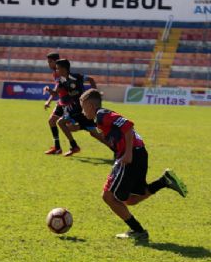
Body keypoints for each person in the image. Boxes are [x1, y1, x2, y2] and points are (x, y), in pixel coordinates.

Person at [80, 88, 188, 240]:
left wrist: (128, 153)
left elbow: (128, 126)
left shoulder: (102, 114)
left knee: (108, 196)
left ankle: (138, 231)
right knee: (130, 199)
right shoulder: (100, 121)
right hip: (138, 153)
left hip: (132, 155)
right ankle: (164, 181)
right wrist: (96, 135)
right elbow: (115, 141)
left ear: (90, 106)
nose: (83, 112)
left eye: (83, 108)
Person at [44, 58, 98, 156]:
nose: (49, 64)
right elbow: (57, 92)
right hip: (65, 104)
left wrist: (95, 93)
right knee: (57, 122)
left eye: (50, 62)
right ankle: (63, 147)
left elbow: (90, 79)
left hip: (73, 106)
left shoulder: (72, 76)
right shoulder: (59, 77)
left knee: (88, 130)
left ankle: (72, 144)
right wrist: (49, 92)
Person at [43, 52, 64, 154]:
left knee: (75, 126)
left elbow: (56, 91)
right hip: (62, 101)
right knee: (52, 121)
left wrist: (48, 91)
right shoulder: (56, 73)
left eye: (50, 62)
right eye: (48, 62)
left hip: (68, 102)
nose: (49, 64)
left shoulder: (61, 72)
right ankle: (57, 147)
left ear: (56, 61)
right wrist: (49, 101)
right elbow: (57, 90)